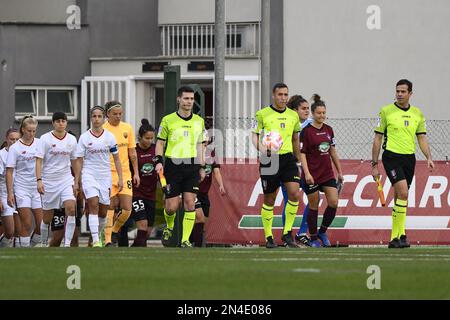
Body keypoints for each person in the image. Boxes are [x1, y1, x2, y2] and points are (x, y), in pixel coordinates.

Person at [371, 79, 434, 248]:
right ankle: (398, 236)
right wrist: (374, 164)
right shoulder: (386, 111)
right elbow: (377, 138)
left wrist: (428, 156)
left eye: (403, 91)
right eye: (397, 91)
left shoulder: (417, 114)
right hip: (391, 157)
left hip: (409, 158)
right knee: (404, 193)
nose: (399, 94)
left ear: (410, 93)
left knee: (400, 197)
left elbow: (421, 137)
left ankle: (398, 236)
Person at [155, 86, 207, 248]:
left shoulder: (199, 121)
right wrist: (158, 161)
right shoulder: (168, 120)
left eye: (191, 99)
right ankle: (169, 226)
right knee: (172, 207)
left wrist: (202, 166)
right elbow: (160, 142)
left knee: (190, 203)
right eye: (186, 98)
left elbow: (201, 145)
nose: (189, 102)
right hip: (173, 165)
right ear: (179, 99)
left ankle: (185, 240)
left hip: (191, 165)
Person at [251, 83, 301, 248]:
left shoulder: (293, 115)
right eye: (280, 94)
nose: (283, 98)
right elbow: (254, 136)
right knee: (270, 199)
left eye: (286, 94)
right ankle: (269, 237)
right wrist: (262, 147)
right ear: (273, 95)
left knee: (294, 194)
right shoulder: (262, 114)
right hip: (269, 159)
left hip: (288, 158)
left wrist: (298, 159)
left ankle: (287, 233)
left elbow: (295, 138)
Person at [75, 106, 123, 247]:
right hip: (89, 174)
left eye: (99, 116)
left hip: (105, 176)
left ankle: (100, 233)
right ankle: (96, 240)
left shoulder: (109, 137)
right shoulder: (84, 137)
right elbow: (79, 160)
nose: (96, 119)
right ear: (91, 118)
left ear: (104, 119)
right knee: (93, 205)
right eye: (94, 116)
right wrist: (77, 180)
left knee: (103, 211)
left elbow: (116, 159)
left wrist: (120, 178)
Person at [299, 94, 344, 248]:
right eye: (319, 113)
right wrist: (307, 173)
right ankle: (312, 238)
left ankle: (322, 232)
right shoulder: (306, 131)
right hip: (312, 174)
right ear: (313, 114)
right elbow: (302, 154)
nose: (322, 115)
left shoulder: (329, 130)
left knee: (333, 202)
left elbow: (332, 152)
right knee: (314, 205)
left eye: (324, 113)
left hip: (326, 174)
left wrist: (339, 171)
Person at [35, 112, 79, 247]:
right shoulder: (45, 139)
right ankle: (43, 242)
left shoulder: (72, 139)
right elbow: (38, 161)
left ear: (66, 123)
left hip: (66, 180)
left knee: (71, 209)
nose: (61, 123)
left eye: (63, 121)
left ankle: (66, 245)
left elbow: (75, 161)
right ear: (53, 123)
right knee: (47, 218)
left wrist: (76, 181)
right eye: (58, 121)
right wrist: (39, 180)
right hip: (49, 181)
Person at [103, 101, 140, 246]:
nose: (118, 116)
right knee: (110, 206)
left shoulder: (127, 128)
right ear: (108, 114)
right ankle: (107, 240)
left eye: (120, 114)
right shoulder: (103, 130)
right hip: (108, 173)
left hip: (124, 173)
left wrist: (135, 172)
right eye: (115, 114)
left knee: (127, 209)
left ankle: (113, 230)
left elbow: (132, 152)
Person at [280, 95, 313, 246]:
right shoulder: (287, 122)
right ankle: (288, 235)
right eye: (303, 109)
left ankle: (301, 233)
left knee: (314, 199)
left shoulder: (311, 125)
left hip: (307, 169)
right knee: (289, 201)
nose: (307, 111)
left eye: (308, 109)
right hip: (289, 167)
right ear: (295, 111)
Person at [6, 116, 43, 247]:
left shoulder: (40, 143)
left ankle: (30, 247)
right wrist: (10, 193)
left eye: (34, 131)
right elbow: (9, 172)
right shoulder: (15, 148)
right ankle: (25, 251)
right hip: (21, 188)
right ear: (23, 129)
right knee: (26, 223)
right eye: (29, 131)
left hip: (37, 188)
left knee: (42, 224)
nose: (31, 134)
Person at [190, 138, 226, 247]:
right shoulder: (193, 152)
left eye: (206, 140)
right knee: (199, 217)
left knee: (202, 221)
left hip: (204, 193)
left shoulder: (212, 153)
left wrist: (221, 185)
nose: (205, 142)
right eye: (202, 140)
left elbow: (216, 171)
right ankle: (197, 246)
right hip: (193, 192)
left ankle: (190, 239)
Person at [128, 119, 158, 247]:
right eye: (147, 138)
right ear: (139, 137)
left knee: (148, 231)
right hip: (137, 192)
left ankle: (134, 249)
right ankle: (140, 252)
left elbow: (161, 168)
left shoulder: (156, 149)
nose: (149, 141)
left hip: (151, 193)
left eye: (152, 138)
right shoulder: (133, 151)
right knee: (143, 224)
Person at [0, 128, 20, 247]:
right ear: (7, 139)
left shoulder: (22, 153)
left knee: (19, 231)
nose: (14, 142)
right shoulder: (1, 155)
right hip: (4, 194)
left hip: (19, 194)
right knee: (10, 231)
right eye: (12, 139)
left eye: (17, 139)